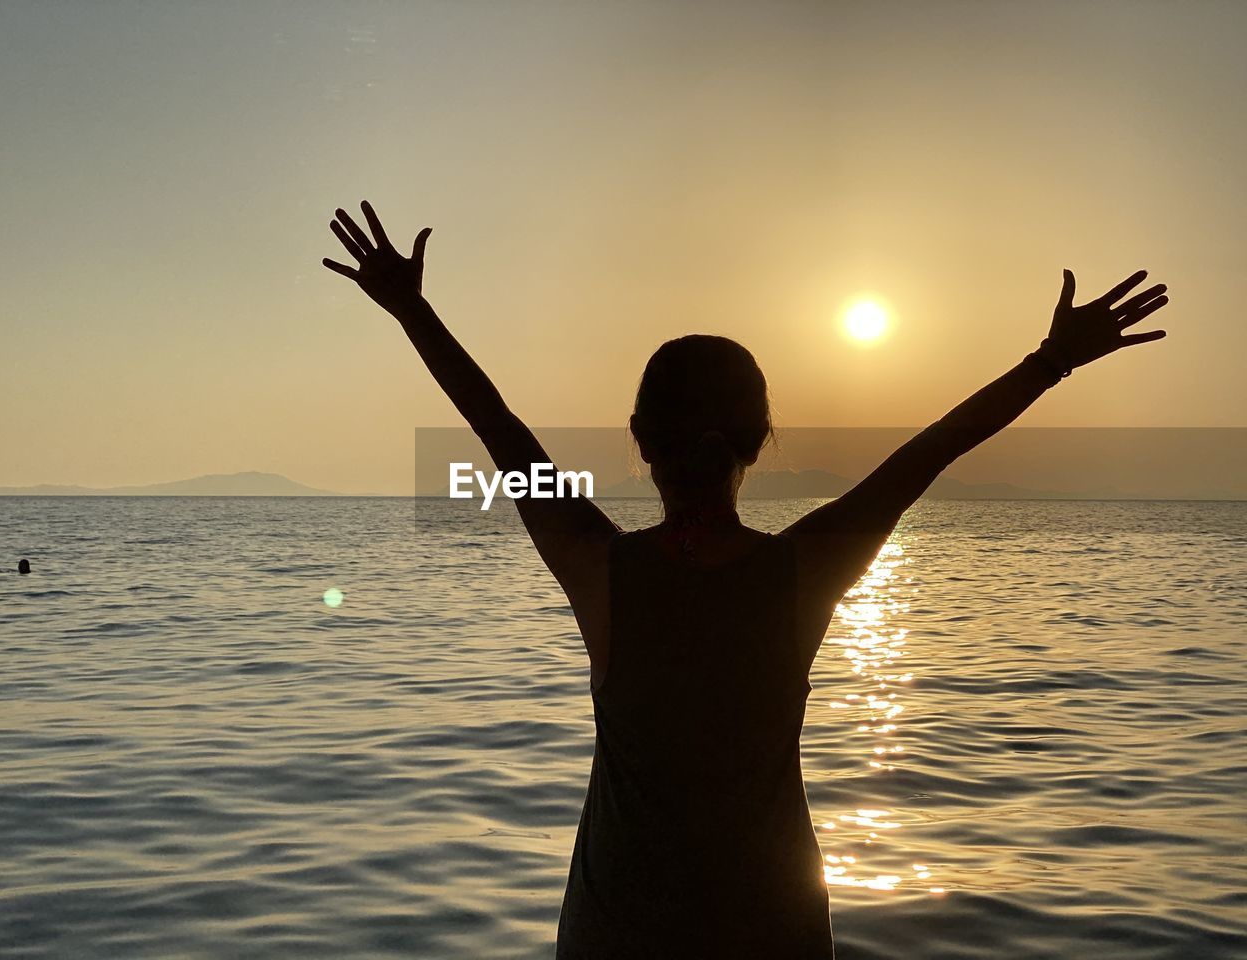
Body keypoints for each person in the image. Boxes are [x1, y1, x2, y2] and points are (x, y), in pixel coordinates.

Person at [323, 200, 1169, 958]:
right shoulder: (801, 572)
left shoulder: (597, 568)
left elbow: (499, 430)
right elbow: (929, 453)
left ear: (640, 439)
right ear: (760, 441)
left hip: (618, 937)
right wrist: (1053, 359)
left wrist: (412, 311)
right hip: (775, 931)